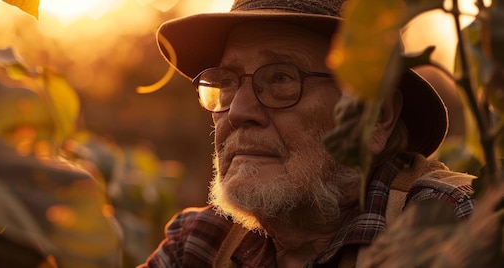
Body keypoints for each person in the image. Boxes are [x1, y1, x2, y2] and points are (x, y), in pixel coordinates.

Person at [140, 0, 476, 267]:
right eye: (226, 81)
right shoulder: (201, 243)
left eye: (281, 78)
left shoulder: (453, 227)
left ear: (376, 116)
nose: (239, 112)